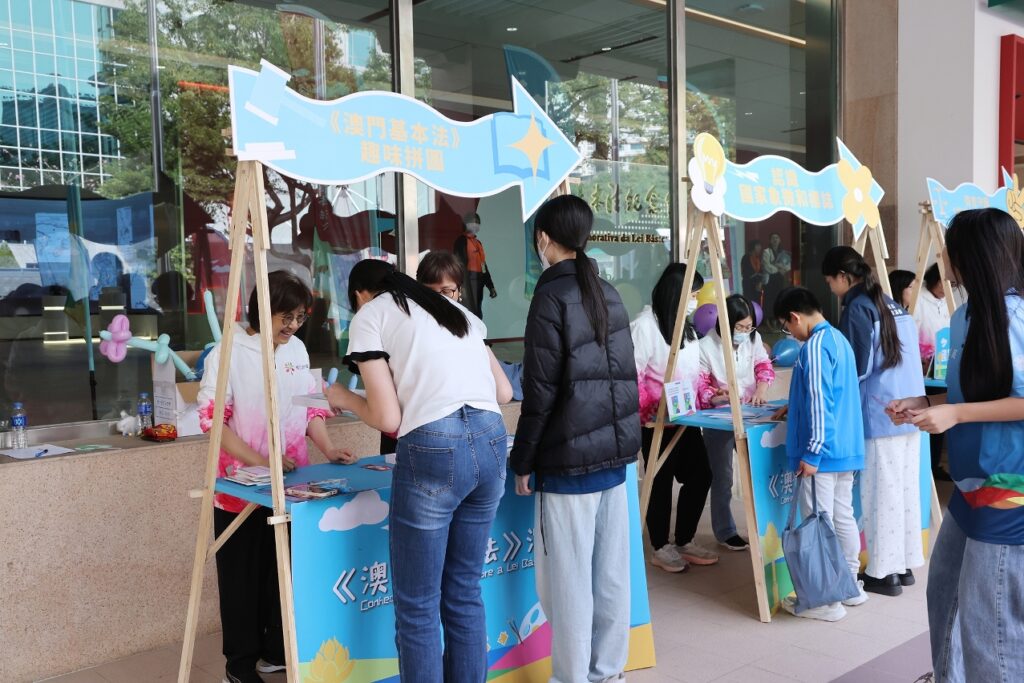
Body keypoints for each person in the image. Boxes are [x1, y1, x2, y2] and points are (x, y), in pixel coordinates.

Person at [326, 259, 513, 683]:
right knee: (464, 591)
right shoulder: (456, 310)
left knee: (418, 606)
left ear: (359, 295)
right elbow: (503, 391)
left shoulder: (371, 315)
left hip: (434, 445)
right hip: (491, 439)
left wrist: (343, 397)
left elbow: (388, 418)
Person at [197, 270, 355, 683]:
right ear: (262, 310)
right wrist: (260, 462)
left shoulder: (296, 349)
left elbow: (308, 406)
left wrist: (328, 449)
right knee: (242, 579)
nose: (294, 325)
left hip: (292, 485)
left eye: (300, 317)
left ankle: (275, 652)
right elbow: (214, 423)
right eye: (287, 317)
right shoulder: (228, 351)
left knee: (283, 574)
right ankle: (240, 665)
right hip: (241, 489)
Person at [887, 208, 1024, 682]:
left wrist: (956, 415)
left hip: (1008, 491)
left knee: (991, 630)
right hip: (970, 487)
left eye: (951, 250)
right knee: (943, 592)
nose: (944, 260)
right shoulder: (967, 315)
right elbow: (977, 391)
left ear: (975, 256)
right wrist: (926, 401)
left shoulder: (1014, 317)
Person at [510, 195, 640, 683]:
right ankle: (608, 673)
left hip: (567, 465)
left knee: (566, 583)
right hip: (613, 460)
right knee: (610, 577)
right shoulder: (607, 291)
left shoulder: (550, 296)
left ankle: (572, 678)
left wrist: (523, 460)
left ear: (544, 238)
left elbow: (539, 392)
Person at [822, 246, 925, 597]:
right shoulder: (890, 303)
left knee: (882, 494)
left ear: (843, 277)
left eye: (830, 281)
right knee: (905, 491)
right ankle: (904, 566)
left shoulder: (857, 308)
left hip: (880, 414)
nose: (831, 288)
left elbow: (855, 368)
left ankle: (883, 572)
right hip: (909, 412)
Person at [773, 286, 868, 621]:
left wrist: (812, 453)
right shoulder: (839, 339)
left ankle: (827, 603)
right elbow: (831, 395)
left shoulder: (813, 347)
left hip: (822, 455)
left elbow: (820, 401)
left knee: (818, 523)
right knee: (841, 517)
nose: (791, 334)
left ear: (795, 317)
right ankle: (850, 586)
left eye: (787, 327)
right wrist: (794, 406)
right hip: (845, 448)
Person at [631, 264, 717, 572]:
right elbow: (631, 377)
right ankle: (660, 546)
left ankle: (684, 539)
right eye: (692, 294)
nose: (696, 301)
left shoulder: (688, 330)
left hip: (685, 419)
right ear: (675, 294)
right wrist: (652, 406)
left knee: (701, 475)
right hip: (655, 422)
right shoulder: (644, 326)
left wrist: (709, 396)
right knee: (660, 481)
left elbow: (694, 376)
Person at [697, 293, 774, 552]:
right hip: (719, 418)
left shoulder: (753, 338)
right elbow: (701, 385)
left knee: (758, 473)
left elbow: (763, 366)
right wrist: (716, 396)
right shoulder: (706, 346)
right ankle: (725, 531)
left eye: (749, 326)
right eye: (740, 327)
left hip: (751, 413)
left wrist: (761, 389)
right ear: (726, 324)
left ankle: (764, 528)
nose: (745, 332)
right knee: (723, 477)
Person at [914, 263, 954, 482]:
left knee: (940, 414)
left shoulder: (947, 301)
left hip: (942, 365)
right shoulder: (919, 298)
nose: (944, 287)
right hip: (923, 366)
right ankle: (924, 465)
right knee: (924, 413)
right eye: (941, 282)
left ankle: (935, 464)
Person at [453, 212, 496, 318]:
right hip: (468, 281)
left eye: (477, 222)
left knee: (477, 311)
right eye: (472, 222)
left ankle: (478, 328)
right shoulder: (461, 241)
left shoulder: (478, 243)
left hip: (479, 281)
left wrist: (490, 286)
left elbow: (483, 266)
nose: (475, 225)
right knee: (468, 312)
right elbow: (459, 265)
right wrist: (462, 286)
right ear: (466, 224)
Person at [762, 232, 792, 318]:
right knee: (769, 300)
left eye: (777, 238)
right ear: (770, 241)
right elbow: (766, 266)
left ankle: (776, 319)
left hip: (780, 279)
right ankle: (768, 320)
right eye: (773, 238)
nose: (775, 240)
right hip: (770, 280)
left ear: (780, 240)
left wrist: (781, 268)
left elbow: (788, 266)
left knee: (778, 299)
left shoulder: (783, 252)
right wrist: (779, 269)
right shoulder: (766, 251)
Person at [740, 240, 766, 305]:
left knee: (757, 303)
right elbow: (745, 272)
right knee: (749, 303)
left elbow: (761, 271)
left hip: (757, 285)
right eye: (758, 246)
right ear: (753, 247)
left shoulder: (758, 258)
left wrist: (759, 282)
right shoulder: (746, 257)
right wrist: (756, 277)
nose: (760, 248)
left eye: (760, 246)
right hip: (748, 285)